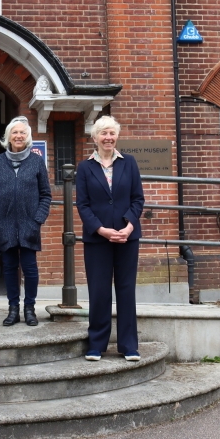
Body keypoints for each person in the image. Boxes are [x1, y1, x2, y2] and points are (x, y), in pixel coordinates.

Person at [75, 115, 144, 363]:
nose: (108, 137)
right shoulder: (85, 167)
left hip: (128, 238)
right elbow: (82, 205)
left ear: (117, 137)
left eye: (112, 133)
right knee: (99, 291)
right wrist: (101, 229)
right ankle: (96, 344)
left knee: (126, 291)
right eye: (103, 133)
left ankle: (129, 345)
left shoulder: (130, 163)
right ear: (94, 138)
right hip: (97, 240)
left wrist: (128, 226)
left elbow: (138, 199)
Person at [0, 116, 51, 327]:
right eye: (15, 132)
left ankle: (29, 309)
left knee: (30, 268)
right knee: (10, 267)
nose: (19, 136)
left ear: (28, 137)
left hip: (29, 226)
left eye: (23, 132)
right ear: (8, 137)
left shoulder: (36, 161)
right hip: (4, 227)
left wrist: (37, 220)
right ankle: (13, 308)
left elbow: (46, 195)